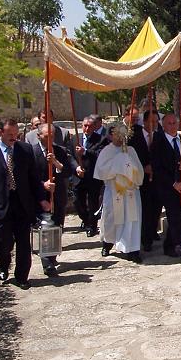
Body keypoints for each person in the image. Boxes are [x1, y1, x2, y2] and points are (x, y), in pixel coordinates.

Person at [0, 118, 50, 288]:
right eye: (9, 134)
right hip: (2, 204)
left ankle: (22, 276)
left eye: (15, 134)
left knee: (24, 242)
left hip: (22, 204)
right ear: (0, 132)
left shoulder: (25, 149)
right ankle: (3, 267)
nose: (13, 137)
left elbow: (33, 178)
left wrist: (42, 199)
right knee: (4, 243)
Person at [151, 111, 181, 265]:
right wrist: (173, 183)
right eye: (169, 123)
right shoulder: (157, 143)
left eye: (174, 123)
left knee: (179, 215)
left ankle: (168, 245)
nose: (172, 126)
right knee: (174, 216)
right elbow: (157, 168)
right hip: (167, 187)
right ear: (163, 126)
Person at [95, 120, 144, 264]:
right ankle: (107, 243)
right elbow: (101, 171)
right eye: (117, 134)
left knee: (132, 220)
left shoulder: (131, 151)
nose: (120, 138)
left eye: (123, 135)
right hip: (114, 190)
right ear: (112, 135)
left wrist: (128, 163)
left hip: (130, 192)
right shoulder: (107, 151)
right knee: (111, 219)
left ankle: (132, 249)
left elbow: (139, 172)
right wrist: (118, 163)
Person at [33, 123, 72, 275]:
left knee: (57, 227)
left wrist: (56, 163)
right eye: (46, 136)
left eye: (53, 136)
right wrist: (43, 185)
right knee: (46, 228)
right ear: (39, 136)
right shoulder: (32, 152)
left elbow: (67, 171)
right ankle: (47, 263)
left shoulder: (60, 151)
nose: (50, 139)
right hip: (41, 197)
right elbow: (29, 176)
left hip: (58, 196)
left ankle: (52, 255)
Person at [129, 111, 161, 252]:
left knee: (156, 209)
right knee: (145, 210)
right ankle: (145, 239)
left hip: (157, 179)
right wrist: (143, 167)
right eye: (151, 121)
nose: (153, 124)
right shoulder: (134, 137)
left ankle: (152, 231)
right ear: (145, 121)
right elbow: (129, 157)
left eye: (156, 121)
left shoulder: (159, 136)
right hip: (141, 180)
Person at [73, 115, 106, 236]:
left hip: (93, 176)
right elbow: (69, 155)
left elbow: (100, 155)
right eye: (84, 126)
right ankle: (86, 220)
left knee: (93, 202)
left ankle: (92, 226)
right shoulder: (75, 138)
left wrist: (85, 152)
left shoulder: (101, 139)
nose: (86, 128)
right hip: (79, 176)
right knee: (77, 201)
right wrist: (76, 167)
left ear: (94, 127)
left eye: (89, 126)